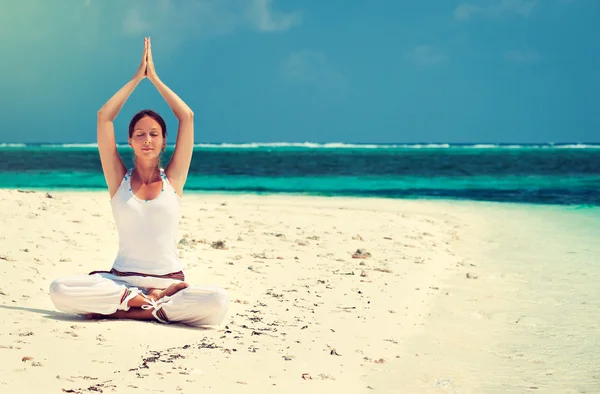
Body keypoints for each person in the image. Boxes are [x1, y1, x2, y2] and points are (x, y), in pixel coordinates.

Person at [49, 37, 230, 327]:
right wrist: (137, 78)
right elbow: (104, 117)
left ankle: (140, 305)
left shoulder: (173, 180)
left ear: (163, 142)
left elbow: (187, 116)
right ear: (130, 141)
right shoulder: (118, 181)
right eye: (140, 134)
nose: (147, 139)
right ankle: (144, 306)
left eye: (154, 134)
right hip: (120, 282)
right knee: (59, 289)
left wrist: (154, 78)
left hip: (170, 283)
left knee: (218, 302)